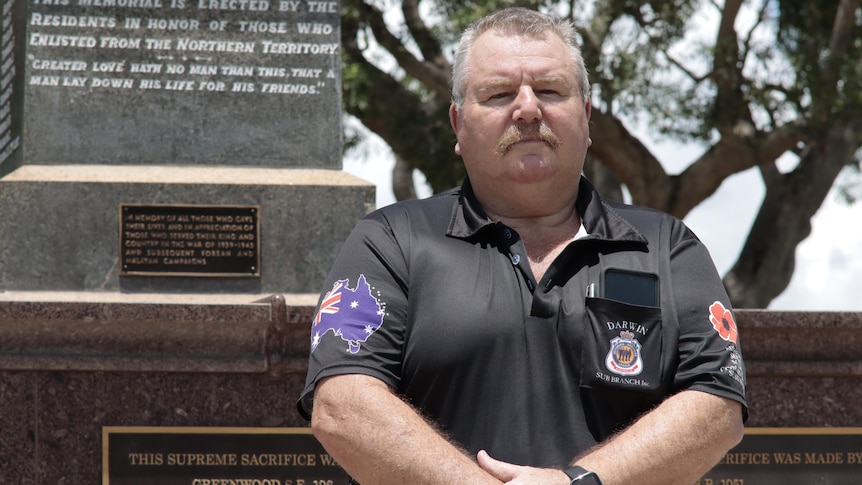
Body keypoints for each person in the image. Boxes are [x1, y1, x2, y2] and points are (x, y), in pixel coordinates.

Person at [298, 7, 746, 485]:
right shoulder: (390, 242)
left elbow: (717, 405)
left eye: (551, 90)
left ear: (587, 116)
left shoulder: (666, 246)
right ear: (458, 124)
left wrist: (578, 483)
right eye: (498, 94)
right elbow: (342, 406)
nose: (528, 109)